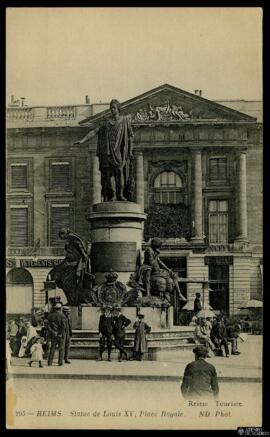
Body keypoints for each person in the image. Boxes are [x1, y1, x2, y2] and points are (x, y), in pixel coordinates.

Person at [74, 99, 134, 201]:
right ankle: (113, 195)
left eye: (113, 108)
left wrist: (130, 151)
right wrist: (83, 140)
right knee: (109, 174)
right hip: (108, 152)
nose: (112, 110)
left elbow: (130, 136)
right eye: (111, 108)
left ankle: (120, 194)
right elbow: (94, 131)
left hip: (119, 152)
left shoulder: (124, 121)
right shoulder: (106, 123)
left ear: (118, 109)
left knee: (119, 172)